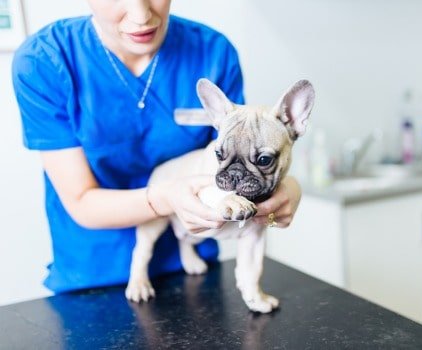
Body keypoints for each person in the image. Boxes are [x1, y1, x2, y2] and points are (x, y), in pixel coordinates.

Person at [11, 0, 302, 294]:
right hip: (93, 273)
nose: (141, 15)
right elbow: (80, 200)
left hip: (196, 266)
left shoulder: (213, 51)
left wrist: (287, 190)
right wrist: (166, 198)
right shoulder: (44, 60)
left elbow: (244, 150)